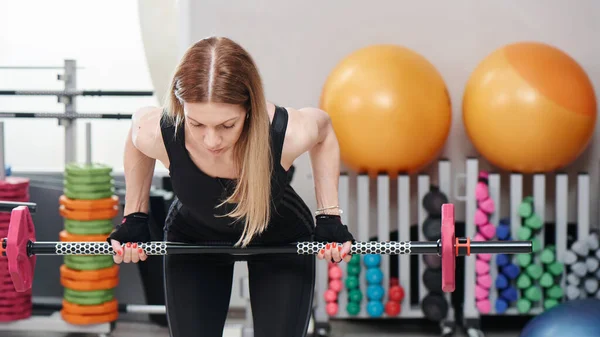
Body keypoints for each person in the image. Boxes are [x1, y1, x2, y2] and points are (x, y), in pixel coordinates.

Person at [107, 36, 355, 337]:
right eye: (197, 124)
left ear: (249, 109)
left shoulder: (286, 133)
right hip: (194, 237)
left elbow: (324, 130)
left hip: (280, 237)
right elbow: (136, 135)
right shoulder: (160, 132)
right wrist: (135, 216)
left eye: (227, 125)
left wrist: (329, 216)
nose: (212, 141)